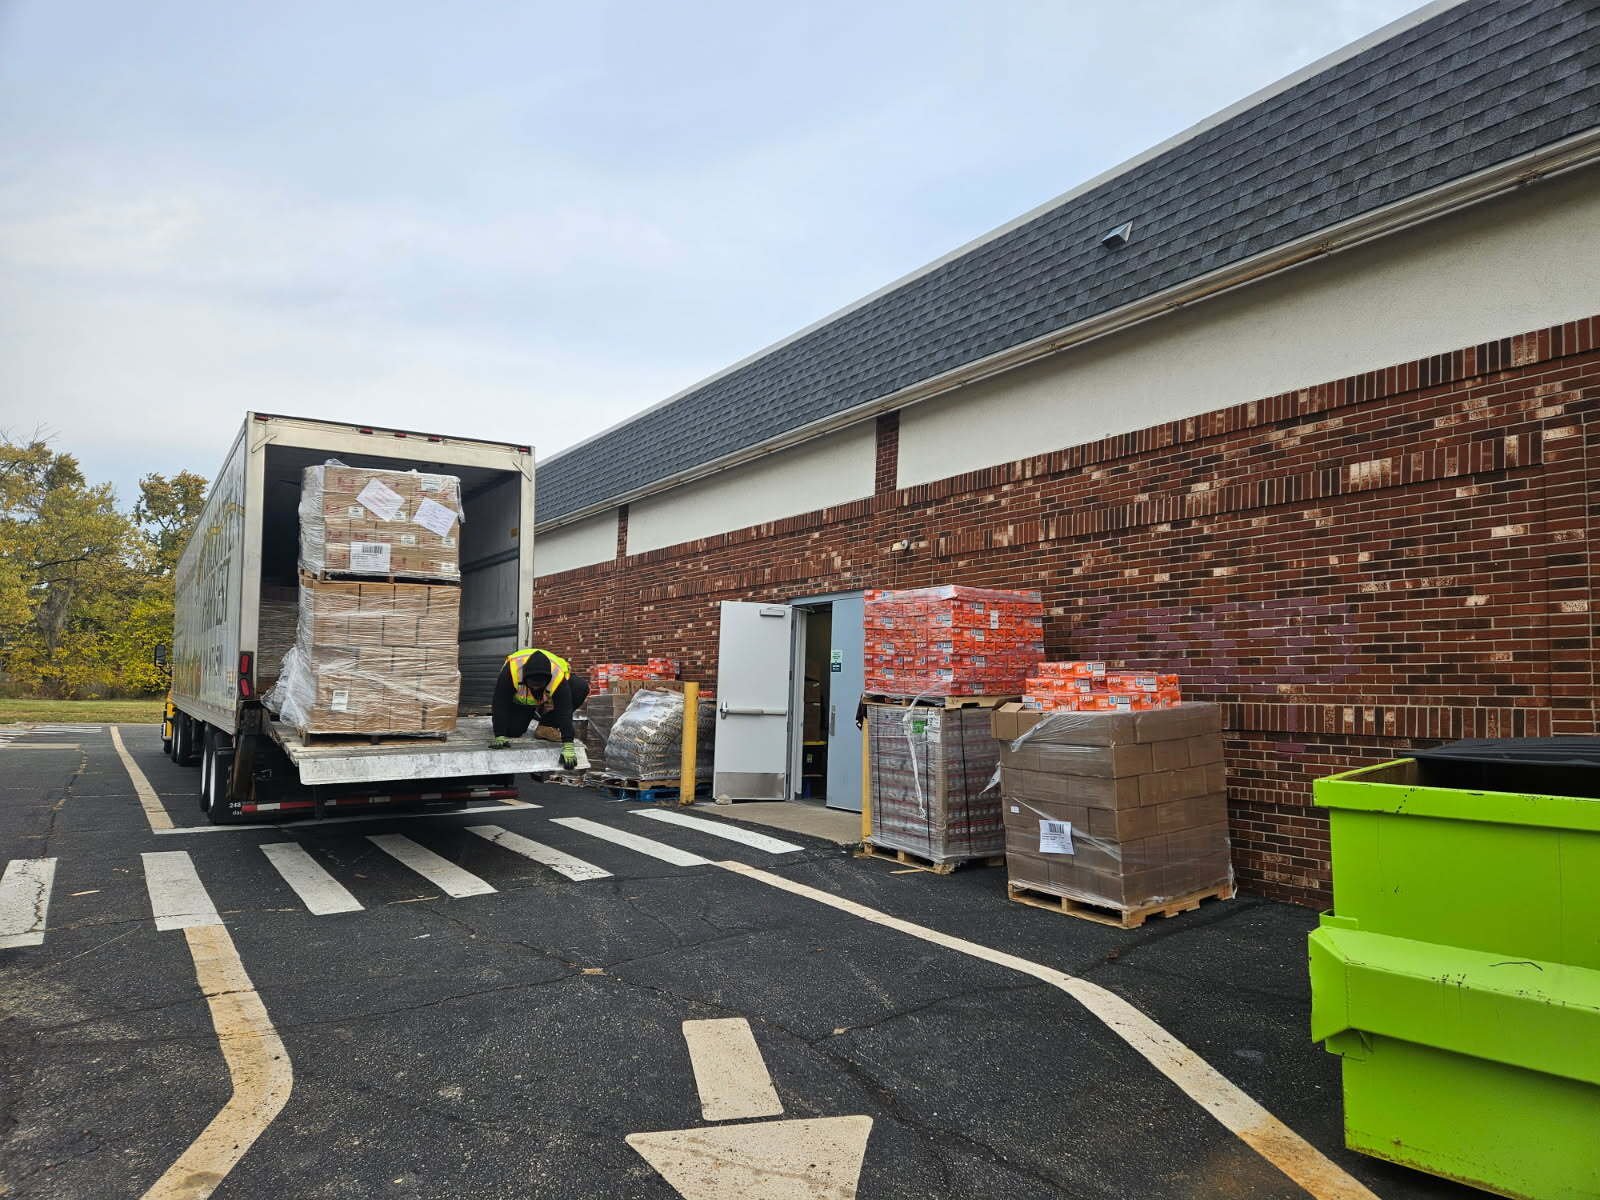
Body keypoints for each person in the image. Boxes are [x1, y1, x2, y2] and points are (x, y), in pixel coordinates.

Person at [491, 648, 590, 769]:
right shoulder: (511, 671)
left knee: (580, 687)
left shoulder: (557, 676)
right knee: (513, 731)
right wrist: (499, 734)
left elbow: (565, 711)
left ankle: (546, 725)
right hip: (523, 702)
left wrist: (568, 745)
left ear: (548, 679)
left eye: (539, 685)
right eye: (533, 684)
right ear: (525, 677)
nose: (536, 688)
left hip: (547, 693)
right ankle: (530, 713)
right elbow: (500, 702)